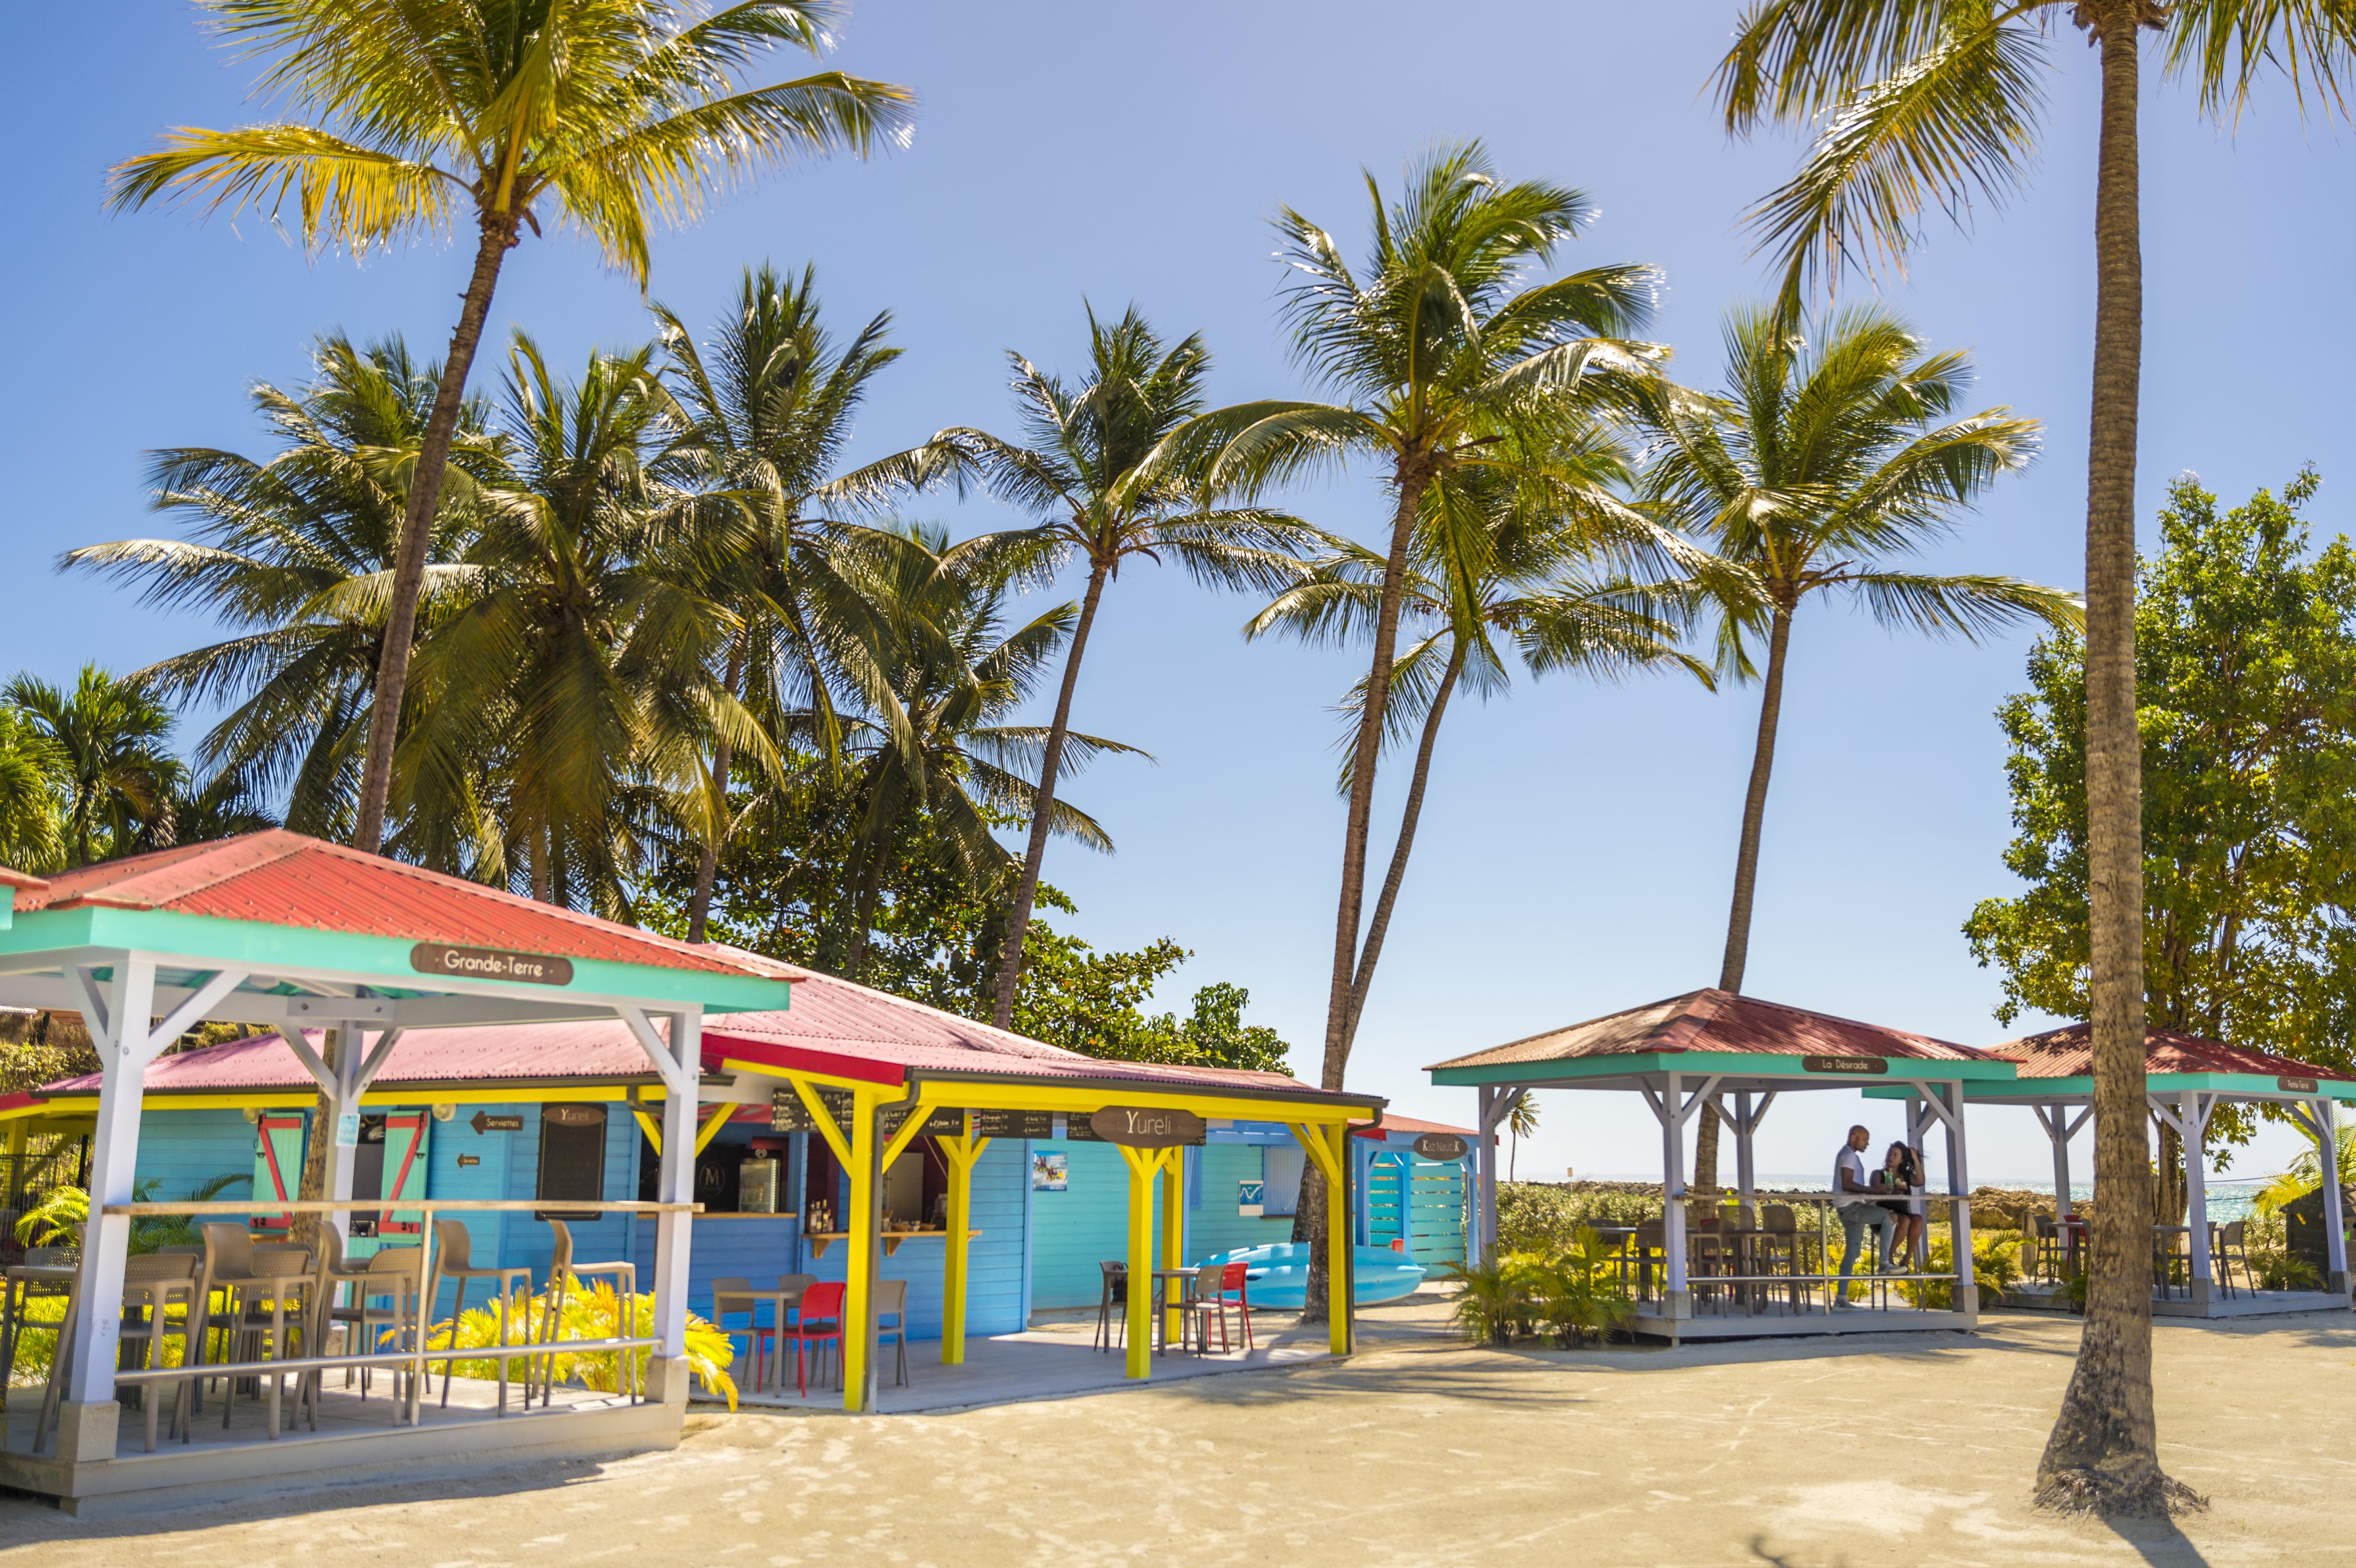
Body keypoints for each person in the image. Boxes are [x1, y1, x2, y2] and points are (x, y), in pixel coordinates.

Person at [1832, 1124, 1894, 1308]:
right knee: (1889, 1217)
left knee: (1851, 1253)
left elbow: (1851, 1185)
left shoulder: (1848, 1155)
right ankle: (1884, 1262)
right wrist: (1872, 1190)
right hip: (1851, 1207)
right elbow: (1847, 1185)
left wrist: (1870, 1195)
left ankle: (1841, 1298)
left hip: (1847, 1207)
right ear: (1853, 1138)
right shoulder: (1849, 1156)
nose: (1867, 1144)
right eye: (1864, 1140)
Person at [1877, 1142, 1926, 1271]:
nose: (1891, 1157)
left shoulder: (1906, 1175)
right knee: (1905, 1220)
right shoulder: (1879, 1174)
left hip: (1903, 1213)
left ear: (1902, 1160)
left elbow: (1920, 1181)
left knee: (1918, 1220)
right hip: (1885, 1215)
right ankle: (1888, 1258)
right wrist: (1885, 1188)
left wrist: (1915, 1158)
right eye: (1890, 1154)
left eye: (1895, 1155)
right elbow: (1874, 1187)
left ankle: (1907, 1258)